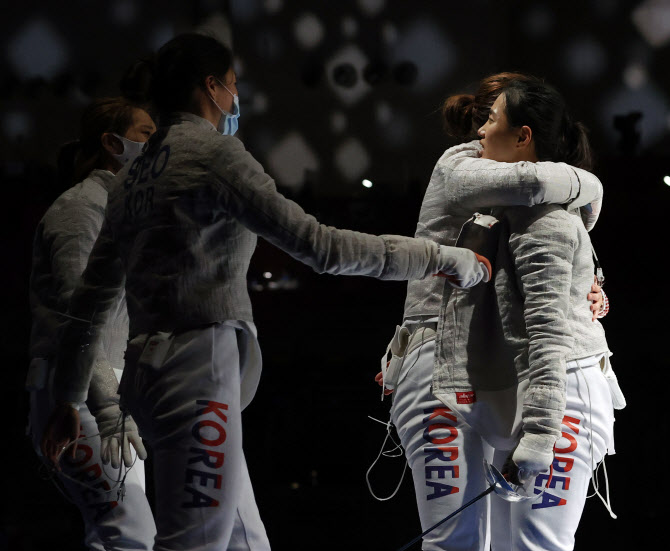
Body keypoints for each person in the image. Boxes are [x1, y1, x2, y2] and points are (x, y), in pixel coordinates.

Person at [40, 33, 490, 551]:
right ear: (211, 88)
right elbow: (321, 247)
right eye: (231, 87)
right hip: (197, 367)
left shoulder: (131, 178)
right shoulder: (215, 156)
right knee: (196, 542)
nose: (235, 99)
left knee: (243, 539)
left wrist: (70, 399)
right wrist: (441, 258)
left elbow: (89, 306)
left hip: (147, 372)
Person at [375, 74, 625, 551]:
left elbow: (551, 307)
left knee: (529, 543)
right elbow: (531, 184)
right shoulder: (463, 166)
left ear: (522, 133)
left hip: (528, 372)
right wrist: (587, 184)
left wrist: (593, 285)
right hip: (448, 363)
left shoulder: (546, 211)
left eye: (492, 119)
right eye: (486, 118)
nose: (481, 131)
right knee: (458, 541)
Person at [27, 97, 157, 550]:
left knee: (113, 536)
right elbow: (77, 319)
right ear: (111, 143)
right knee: (132, 535)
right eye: (145, 134)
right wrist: (106, 411)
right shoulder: (80, 210)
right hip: (75, 396)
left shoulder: (124, 211)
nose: (156, 143)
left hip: (112, 399)